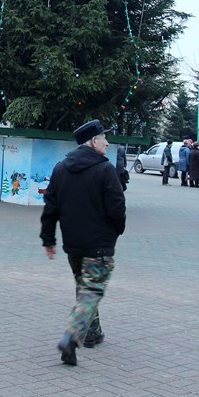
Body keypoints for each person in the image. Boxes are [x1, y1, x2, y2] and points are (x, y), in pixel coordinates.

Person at [40, 119, 126, 367]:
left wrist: (49, 239)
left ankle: (92, 333)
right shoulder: (105, 170)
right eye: (104, 139)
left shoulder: (61, 168)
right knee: (92, 291)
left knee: (85, 287)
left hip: (73, 244)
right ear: (93, 141)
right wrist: (116, 232)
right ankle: (72, 336)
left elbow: (50, 208)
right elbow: (117, 207)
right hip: (99, 245)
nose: (107, 143)